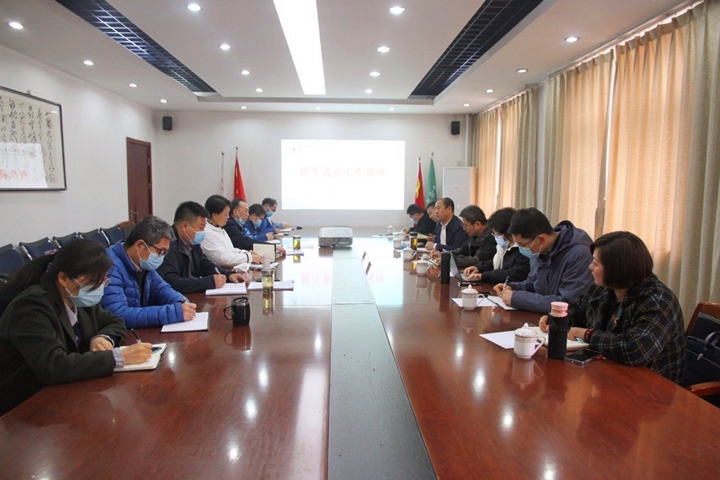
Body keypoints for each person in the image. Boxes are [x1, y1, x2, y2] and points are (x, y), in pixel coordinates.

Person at [0, 240, 152, 415]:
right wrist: (117, 358)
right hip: (24, 404)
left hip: (65, 390)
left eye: (103, 281)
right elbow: (53, 365)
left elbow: (114, 321)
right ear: (64, 278)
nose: (98, 288)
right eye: (93, 282)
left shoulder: (78, 297)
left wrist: (103, 337)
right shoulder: (31, 306)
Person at [539, 232, 686, 383]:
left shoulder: (658, 301)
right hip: (608, 371)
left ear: (617, 269)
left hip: (651, 385)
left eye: (595, 263)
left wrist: (587, 334)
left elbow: (634, 350)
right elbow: (578, 311)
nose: (590, 267)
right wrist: (555, 320)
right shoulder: (603, 287)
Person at [101, 216, 196, 328]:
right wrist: (173, 312)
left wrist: (180, 301)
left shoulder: (142, 262)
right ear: (140, 245)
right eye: (160, 251)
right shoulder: (110, 266)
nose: (161, 257)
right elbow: (119, 315)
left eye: (165, 253)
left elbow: (161, 289)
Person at [493, 208, 593, 313]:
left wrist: (516, 298)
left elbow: (566, 303)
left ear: (541, 239)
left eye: (522, 245)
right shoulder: (539, 250)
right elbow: (532, 283)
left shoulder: (580, 255)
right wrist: (512, 287)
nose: (520, 249)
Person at [157, 201, 247, 294]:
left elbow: (204, 264)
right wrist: (208, 282)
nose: (203, 232)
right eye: (201, 227)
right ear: (185, 226)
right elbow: (171, 282)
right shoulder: (167, 245)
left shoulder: (192, 241)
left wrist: (228, 275)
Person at [463, 207, 530, 284]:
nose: (495, 236)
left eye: (496, 233)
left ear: (507, 232)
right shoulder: (504, 246)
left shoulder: (523, 250)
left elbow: (510, 274)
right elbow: (496, 262)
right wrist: (478, 267)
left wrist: (483, 276)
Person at [201, 195, 259, 271]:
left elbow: (230, 250)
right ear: (214, 215)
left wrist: (245, 253)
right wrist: (249, 257)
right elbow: (223, 258)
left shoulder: (218, 227)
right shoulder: (207, 233)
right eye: (225, 214)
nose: (228, 217)